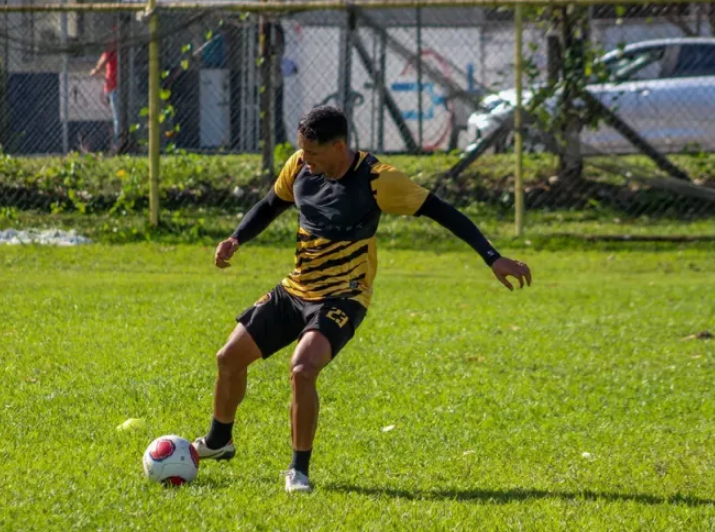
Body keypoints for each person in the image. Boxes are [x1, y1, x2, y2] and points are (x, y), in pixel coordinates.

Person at [192, 106, 532, 493]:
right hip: (297, 288)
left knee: (303, 369)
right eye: (301, 152)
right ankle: (220, 441)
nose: (305, 160)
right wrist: (236, 238)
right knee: (228, 358)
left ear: (339, 146)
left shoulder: (379, 180)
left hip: (344, 295)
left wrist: (493, 257)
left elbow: (442, 212)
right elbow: (271, 204)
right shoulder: (300, 167)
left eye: (313, 153)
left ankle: (298, 470)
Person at [90, 38, 119, 151]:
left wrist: (95, 71)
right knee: (117, 118)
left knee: (118, 118)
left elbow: (100, 66)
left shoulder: (113, 51)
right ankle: (117, 143)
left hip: (115, 86)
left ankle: (117, 144)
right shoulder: (112, 51)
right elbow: (101, 65)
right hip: (113, 87)